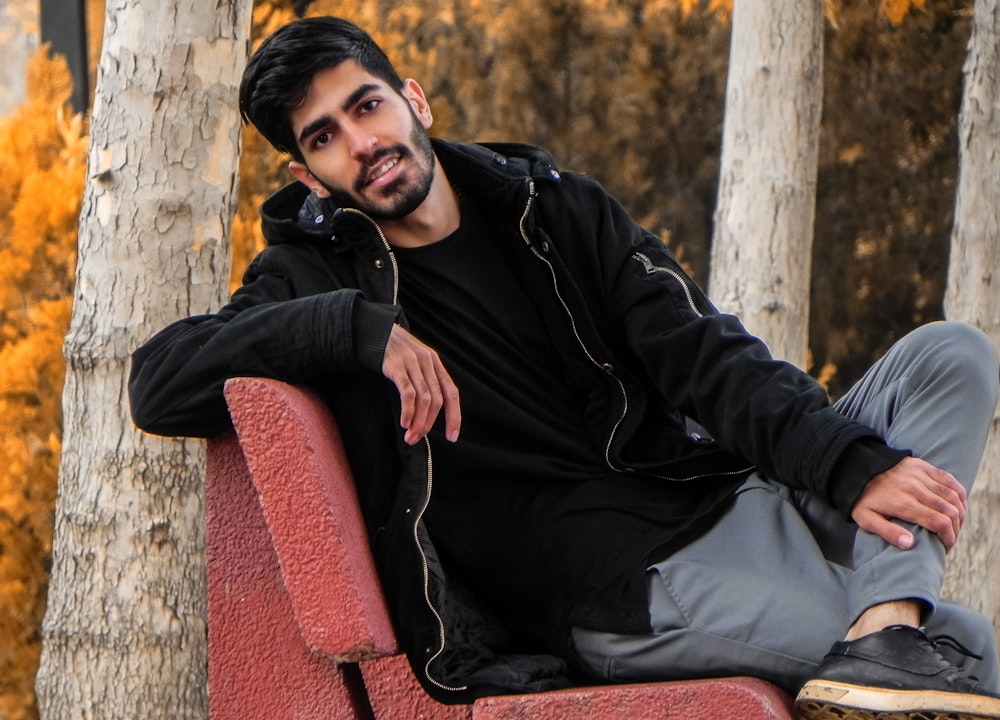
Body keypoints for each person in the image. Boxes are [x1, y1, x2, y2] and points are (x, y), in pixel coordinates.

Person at [128, 15, 1000, 720]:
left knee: (950, 357)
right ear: (308, 175)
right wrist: (354, 327)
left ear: (415, 100)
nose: (361, 142)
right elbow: (158, 383)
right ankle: (892, 631)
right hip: (615, 594)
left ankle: (887, 623)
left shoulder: (556, 211)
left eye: (367, 107)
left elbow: (707, 358)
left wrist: (847, 466)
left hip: (723, 503)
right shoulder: (311, 279)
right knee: (969, 655)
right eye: (324, 137)